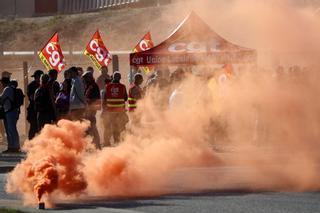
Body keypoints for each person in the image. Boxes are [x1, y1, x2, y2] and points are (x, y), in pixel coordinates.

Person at [103, 72, 128, 146]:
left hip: (110, 111)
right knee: (118, 126)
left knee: (109, 127)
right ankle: (117, 142)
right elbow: (125, 98)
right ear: (120, 78)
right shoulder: (123, 86)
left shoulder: (107, 86)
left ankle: (107, 143)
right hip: (120, 111)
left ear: (113, 78)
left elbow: (104, 99)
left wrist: (104, 110)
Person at [0, 77, 20, 153]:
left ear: (3, 82)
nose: (1, 84)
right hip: (10, 111)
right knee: (10, 129)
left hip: (10, 111)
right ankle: (11, 146)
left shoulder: (7, 89)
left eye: (1, 83)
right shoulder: (9, 88)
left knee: (12, 129)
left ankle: (15, 146)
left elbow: (1, 98)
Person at [82, 71, 101, 149]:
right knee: (88, 128)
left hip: (91, 110)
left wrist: (91, 108)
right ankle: (91, 146)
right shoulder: (88, 86)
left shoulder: (93, 86)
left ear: (89, 78)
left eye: (85, 78)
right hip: (88, 110)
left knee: (92, 127)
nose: (84, 80)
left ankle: (97, 145)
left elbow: (95, 99)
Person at [27, 70, 43, 139]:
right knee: (33, 127)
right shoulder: (31, 85)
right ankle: (30, 144)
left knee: (41, 128)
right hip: (33, 109)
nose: (36, 78)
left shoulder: (43, 85)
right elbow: (31, 97)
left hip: (41, 109)